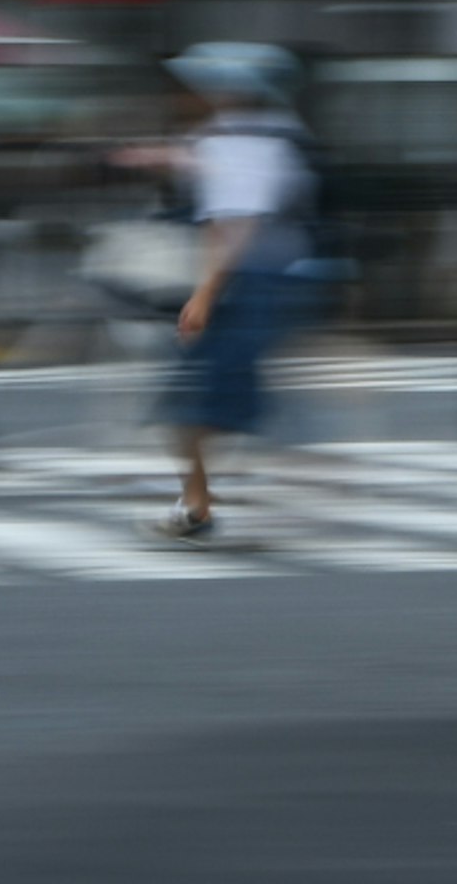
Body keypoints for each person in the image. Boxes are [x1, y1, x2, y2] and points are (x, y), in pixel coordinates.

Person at [144, 42, 323, 543]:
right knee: (203, 399)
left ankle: (204, 502)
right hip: (265, 276)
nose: (186, 98)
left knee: (193, 400)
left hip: (246, 281)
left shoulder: (237, 138)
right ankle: (197, 503)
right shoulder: (265, 132)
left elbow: (234, 224)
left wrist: (204, 295)